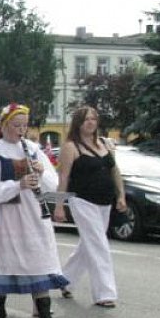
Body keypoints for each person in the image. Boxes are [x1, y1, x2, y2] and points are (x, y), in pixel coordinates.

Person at [0, 103, 68, 318]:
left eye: (24, 125)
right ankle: (0, 314)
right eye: (16, 125)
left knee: (39, 260)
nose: (21, 130)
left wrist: (41, 172)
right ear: (3, 126)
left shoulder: (33, 148)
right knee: (2, 262)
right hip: (5, 216)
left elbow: (52, 184)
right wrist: (18, 184)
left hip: (32, 214)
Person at [54, 106, 126, 307]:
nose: (91, 122)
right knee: (99, 245)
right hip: (82, 201)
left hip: (105, 201)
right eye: (86, 119)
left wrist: (121, 195)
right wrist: (59, 205)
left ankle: (65, 280)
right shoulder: (71, 147)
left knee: (89, 244)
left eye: (94, 119)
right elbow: (64, 177)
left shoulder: (104, 143)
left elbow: (115, 171)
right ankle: (105, 293)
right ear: (78, 123)